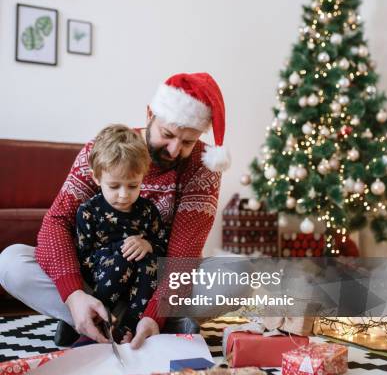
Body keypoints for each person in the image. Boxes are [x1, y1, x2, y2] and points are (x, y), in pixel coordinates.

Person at [0, 72, 230, 349]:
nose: (173, 149)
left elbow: (184, 254)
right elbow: (57, 221)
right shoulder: (105, 150)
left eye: (187, 142)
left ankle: (126, 323)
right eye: (167, 134)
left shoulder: (203, 166)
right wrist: (73, 294)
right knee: (11, 263)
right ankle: (91, 313)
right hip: (97, 278)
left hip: (156, 281)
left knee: (242, 274)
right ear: (149, 114)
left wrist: (154, 313)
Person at [75, 124, 168, 343]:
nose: (124, 195)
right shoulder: (89, 211)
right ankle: (95, 323)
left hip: (140, 290)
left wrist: (148, 245)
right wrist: (120, 252)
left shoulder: (147, 211)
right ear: (97, 178)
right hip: (103, 284)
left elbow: (163, 246)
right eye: (114, 186)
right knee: (124, 258)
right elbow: (85, 258)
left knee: (150, 260)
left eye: (133, 186)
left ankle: (131, 327)